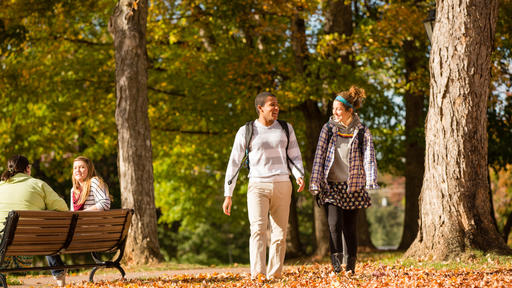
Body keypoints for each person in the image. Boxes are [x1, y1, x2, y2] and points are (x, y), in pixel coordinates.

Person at [222, 91, 305, 280]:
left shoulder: (285, 128)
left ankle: (274, 275)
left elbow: (295, 156)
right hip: (257, 186)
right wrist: (229, 194)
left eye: (277, 105)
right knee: (258, 230)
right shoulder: (247, 130)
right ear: (260, 108)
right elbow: (234, 162)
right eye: (272, 105)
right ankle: (258, 275)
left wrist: (299, 174)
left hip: (283, 184)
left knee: (280, 234)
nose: (276, 108)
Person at [309, 86, 379, 274]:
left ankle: (351, 266)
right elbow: (319, 156)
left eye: (338, 109)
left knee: (349, 227)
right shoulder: (328, 129)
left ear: (350, 110)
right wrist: (315, 184)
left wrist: (371, 181)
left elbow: (369, 156)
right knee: (334, 223)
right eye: (333, 109)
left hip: (352, 186)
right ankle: (336, 266)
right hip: (331, 186)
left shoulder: (362, 131)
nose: (335, 113)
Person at [0, 155, 69, 286]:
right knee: (47, 228)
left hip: (2, 247)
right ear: (28, 168)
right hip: (31, 244)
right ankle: (59, 276)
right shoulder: (39, 184)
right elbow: (63, 208)